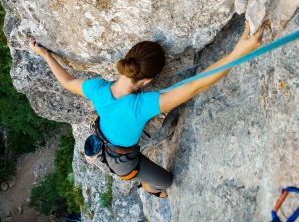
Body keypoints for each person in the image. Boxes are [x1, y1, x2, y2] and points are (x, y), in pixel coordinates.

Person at [29, 21, 267, 198]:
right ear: (149, 81)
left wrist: (45, 54)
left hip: (100, 138)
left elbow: (68, 82)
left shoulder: (96, 88)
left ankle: (115, 165)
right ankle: (147, 187)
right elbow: (196, 85)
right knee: (165, 183)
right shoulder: (142, 106)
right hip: (123, 162)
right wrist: (238, 53)